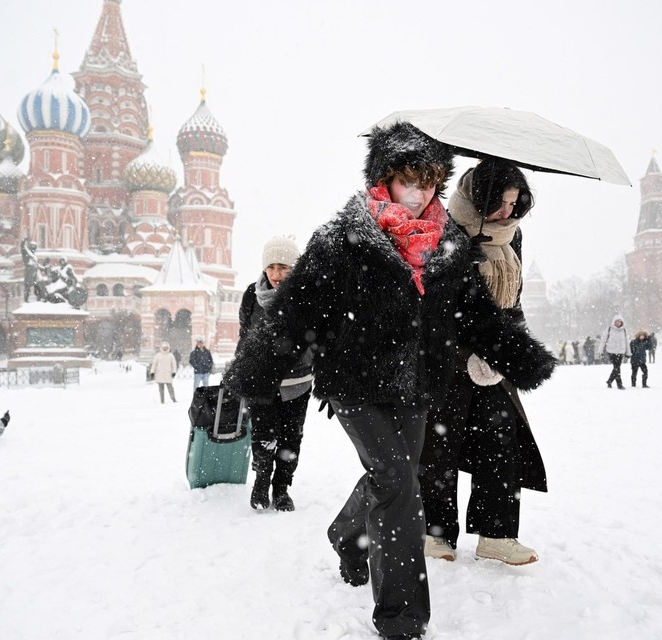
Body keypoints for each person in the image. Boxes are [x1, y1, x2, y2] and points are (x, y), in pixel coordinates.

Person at [222, 122, 554, 640]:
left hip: (416, 386)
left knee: (395, 477)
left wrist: (522, 357)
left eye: (429, 182)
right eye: (408, 181)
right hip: (354, 384)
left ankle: (346, 534)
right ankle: (402, 621)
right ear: (385, 178)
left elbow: (476, 315)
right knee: (399, 481)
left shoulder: (448, 244)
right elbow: (293, 311)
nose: (419, 193)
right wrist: (255, 370)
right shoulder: (343, 238)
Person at [420, 157, 550, 568]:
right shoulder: (443, 229)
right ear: (480, 196)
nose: (508, 211)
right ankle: (435, 534)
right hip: (448, 358)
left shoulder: (512, 237)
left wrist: (512, 342)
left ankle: (496, 534)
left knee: (501, 443)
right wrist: (460, 261)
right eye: (501, 202)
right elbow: (432, 301)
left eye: (514, 203)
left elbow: (513, 300)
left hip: (495, 360)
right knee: (438, 448)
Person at [237, 235, 312, 511]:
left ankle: (281, 488)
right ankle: (261, 482)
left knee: (291, 439)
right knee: (263, 436)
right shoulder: (252, 296)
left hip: (297, 382)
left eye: (283, 267)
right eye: (271, 267)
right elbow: (244, 337)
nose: (276, 274)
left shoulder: (307, 296)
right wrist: (239, 371)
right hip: (261, 382)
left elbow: (319, 341)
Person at [603, 314, 631, 389]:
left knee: (616, 368)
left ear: (622, 322)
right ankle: (619, 384)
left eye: (619, 321)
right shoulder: (609, 329)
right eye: (617, 321)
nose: (618, 323)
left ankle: (610, 381)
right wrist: (600, 351)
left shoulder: (624, 330)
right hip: (611, 351)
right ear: (614, 322)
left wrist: (628, 352)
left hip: (621, 352)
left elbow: (627, 342)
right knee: (617, 368)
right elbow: (603, 340)